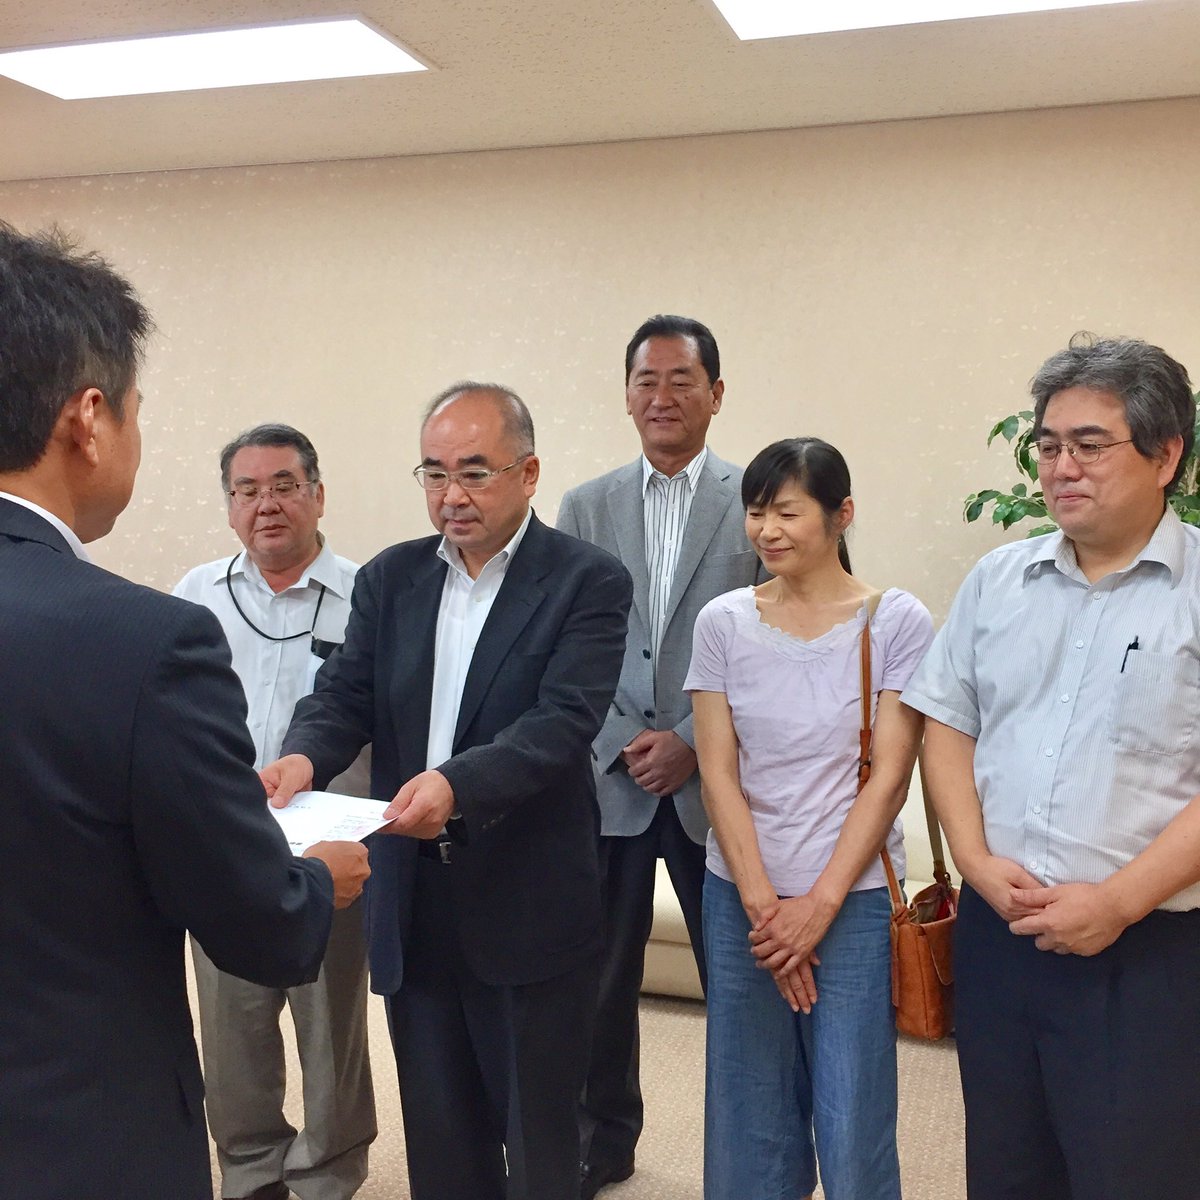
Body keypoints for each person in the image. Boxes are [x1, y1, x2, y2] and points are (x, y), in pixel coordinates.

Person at [0, 228, 369, 1200]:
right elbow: (255, 923)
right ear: (89, 419)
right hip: (76, 1128)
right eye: (135, 411)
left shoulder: (361, 592)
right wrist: (310, 883)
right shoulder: (150, 634)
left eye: (282, 486)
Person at [261, 383, 633, 1200]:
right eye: (434, 473)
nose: (451, 495)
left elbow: (562, 722)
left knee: (537, 1145)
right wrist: (302, 759)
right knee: (440, 1139)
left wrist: (455, 785)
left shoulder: (586, 580)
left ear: (528, 473)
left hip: (528, 897)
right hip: (413, 898)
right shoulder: (391, 578)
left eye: (474, 471)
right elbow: (344, 696)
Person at [902, 334, 1200, 1200]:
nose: (1062, 467)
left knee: (1136, 1174)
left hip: (1148, 955)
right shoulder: (999, 580)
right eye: (1049, 444)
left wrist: (1118, 901)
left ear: (1166, 455)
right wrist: (974, 861)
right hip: (1002, 939)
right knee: (1008, 1168)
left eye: (1090, 445)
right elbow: (948, 723)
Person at [686, 437, 932, 1200]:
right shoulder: (723, 621)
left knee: (853, 1112)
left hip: (852, 902)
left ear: (841, 514)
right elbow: (717, 772)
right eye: (756, 512)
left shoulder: (895, 621)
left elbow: (889, 778)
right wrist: (767, 909)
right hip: (741, 899)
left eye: (788, 512)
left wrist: (817, 908)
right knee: (749, 1111)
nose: (768, 530)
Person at [557, 314, 762, 1197]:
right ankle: (601, 1142)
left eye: (682, 380)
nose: (663, 396)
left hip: (713, 783)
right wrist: (622, 741)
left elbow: (775, 644)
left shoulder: (758, 497)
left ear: (716, 393)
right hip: (609, 778)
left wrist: (686, 739)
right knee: (598, 981)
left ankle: (751, 1151)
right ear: (627, 395)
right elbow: (567, 643)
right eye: (647, 380)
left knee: (737, 979)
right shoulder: (585, 505)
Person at [173, 423, 376, 1200]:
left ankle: (327, 1172)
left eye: (285, 486)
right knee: (232, 1027)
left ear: (318, 496)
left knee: (330, 1029)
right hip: (224, 843)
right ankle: (253, 1168)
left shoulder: (366, 596)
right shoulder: (195, 598)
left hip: (331, 848)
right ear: (230, 506)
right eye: (247, 490)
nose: (267, 505)